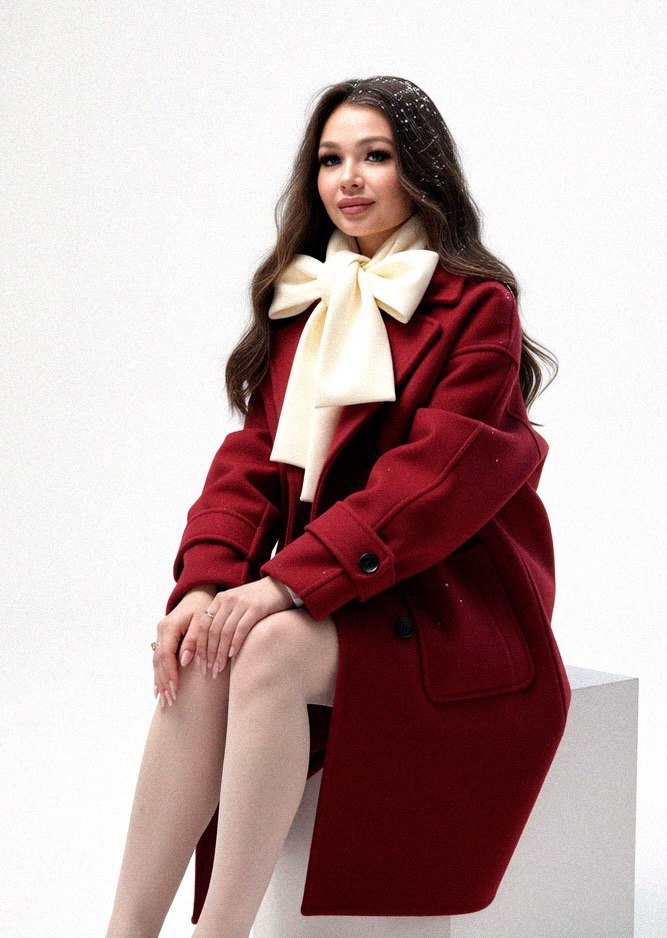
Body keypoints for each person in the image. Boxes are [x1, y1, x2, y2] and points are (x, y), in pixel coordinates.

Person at [106, 76, 571, 938]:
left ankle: (220, 933)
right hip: (338, 583)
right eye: (330, 160)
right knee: (204, 644)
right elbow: (254, 458)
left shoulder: (478, 307)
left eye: (375, 156)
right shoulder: (307, 299)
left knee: (267, 645)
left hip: (449, 595)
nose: (348, 178)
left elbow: (430, 484)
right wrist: (206, 583)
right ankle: (123, 932)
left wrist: (283, 585)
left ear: (419, 170)